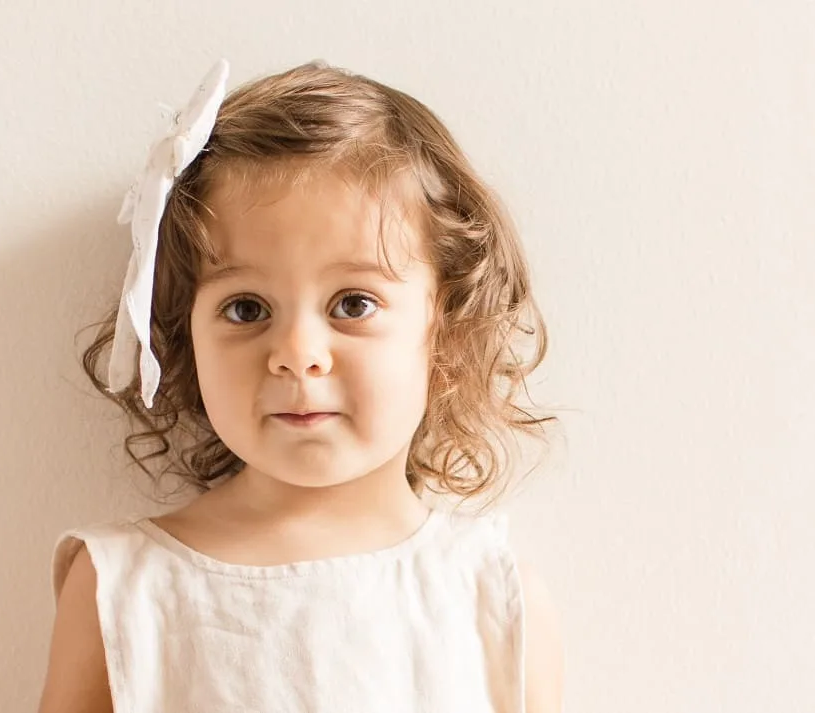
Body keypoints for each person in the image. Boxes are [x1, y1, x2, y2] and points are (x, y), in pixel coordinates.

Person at [37, 58, 564, 713]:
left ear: (448, 336)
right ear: (185, 338)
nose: (296, 355)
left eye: (352, 304)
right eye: (247, 308)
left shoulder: (491, 596)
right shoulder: (126, 588)